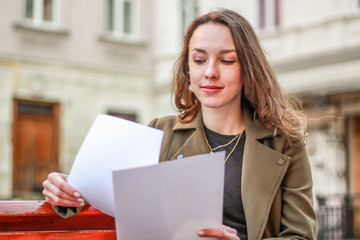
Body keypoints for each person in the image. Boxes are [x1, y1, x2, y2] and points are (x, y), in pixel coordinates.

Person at [42, 9, 317, 239]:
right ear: (188, 68)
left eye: (227, 60)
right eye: (199, 60)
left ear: (248, 68)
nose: (210, 72)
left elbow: (301, 236)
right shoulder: (159, 133)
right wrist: (65, 188)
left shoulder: (285, 142)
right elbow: (102, 190)